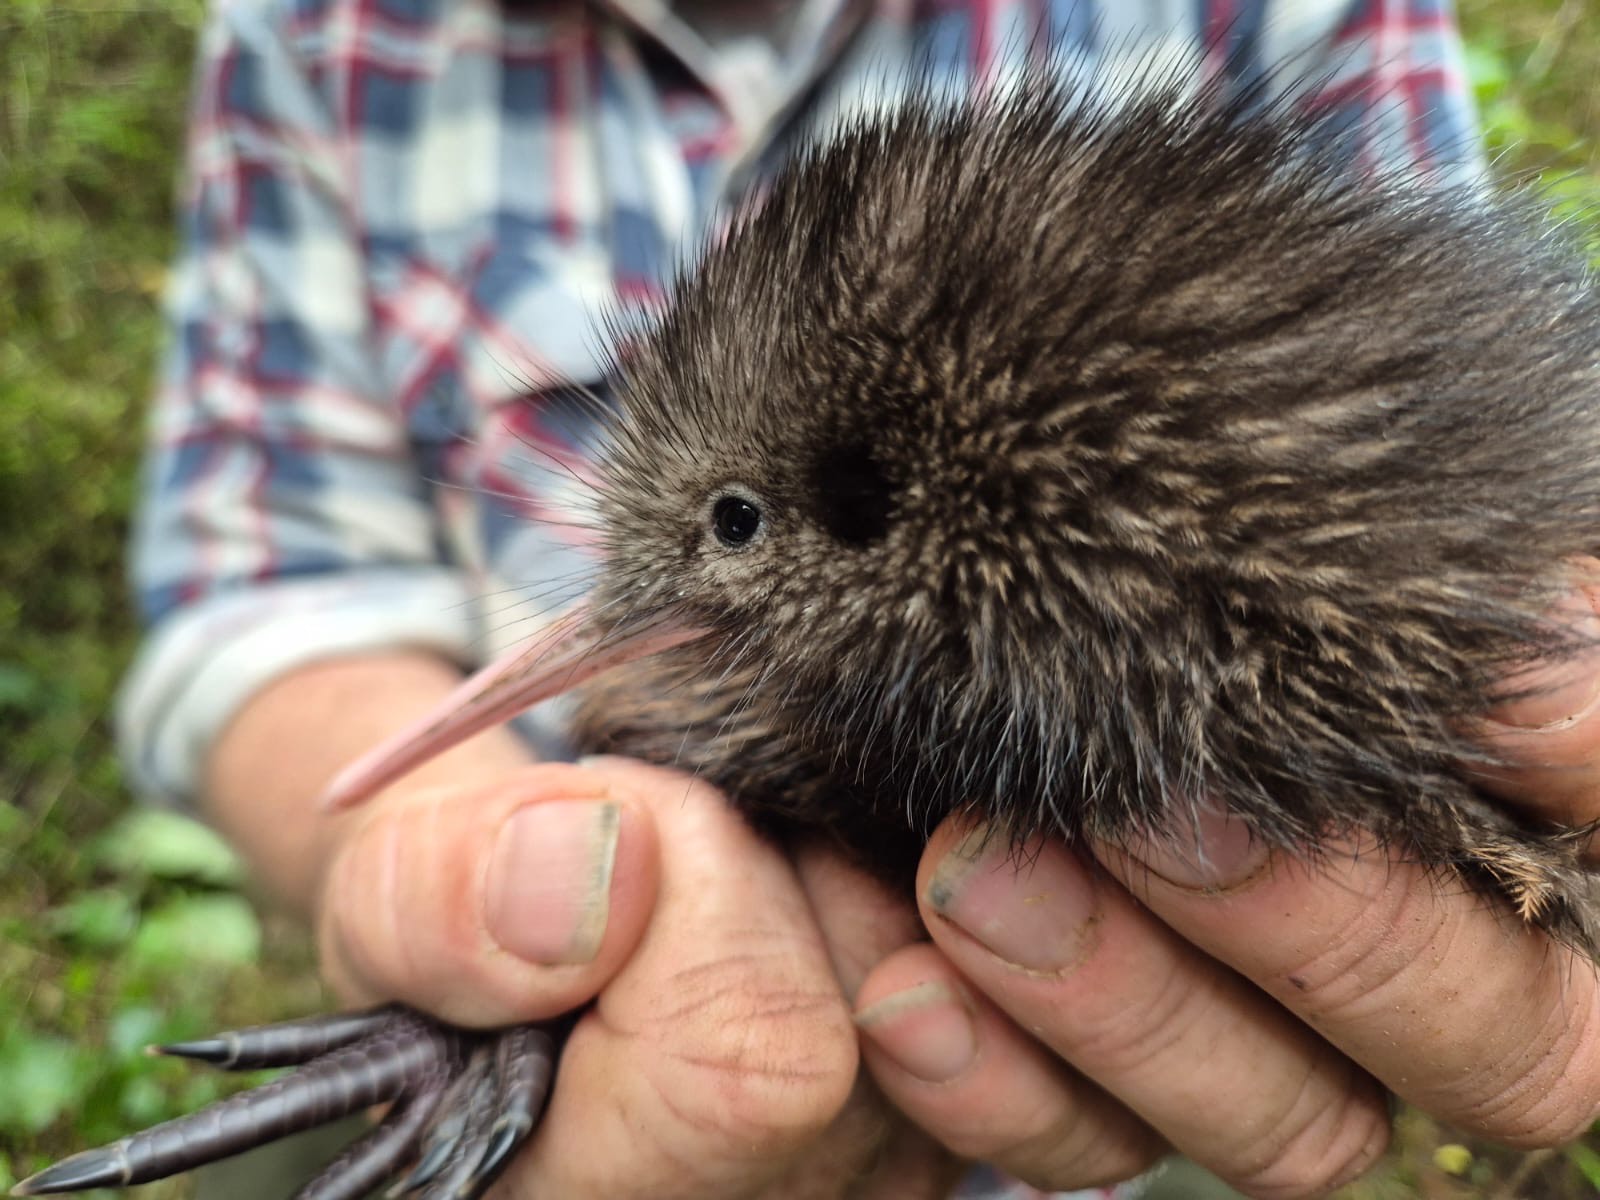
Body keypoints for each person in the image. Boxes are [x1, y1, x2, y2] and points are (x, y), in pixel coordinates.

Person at [117, 0, 1600, 1195]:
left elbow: (1463, 414)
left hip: (1172, 1065)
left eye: (733, 524)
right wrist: (468, 873)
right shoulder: (315, 36)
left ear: (875, 501)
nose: (597, 634)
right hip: (671, 915)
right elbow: (270, 590)